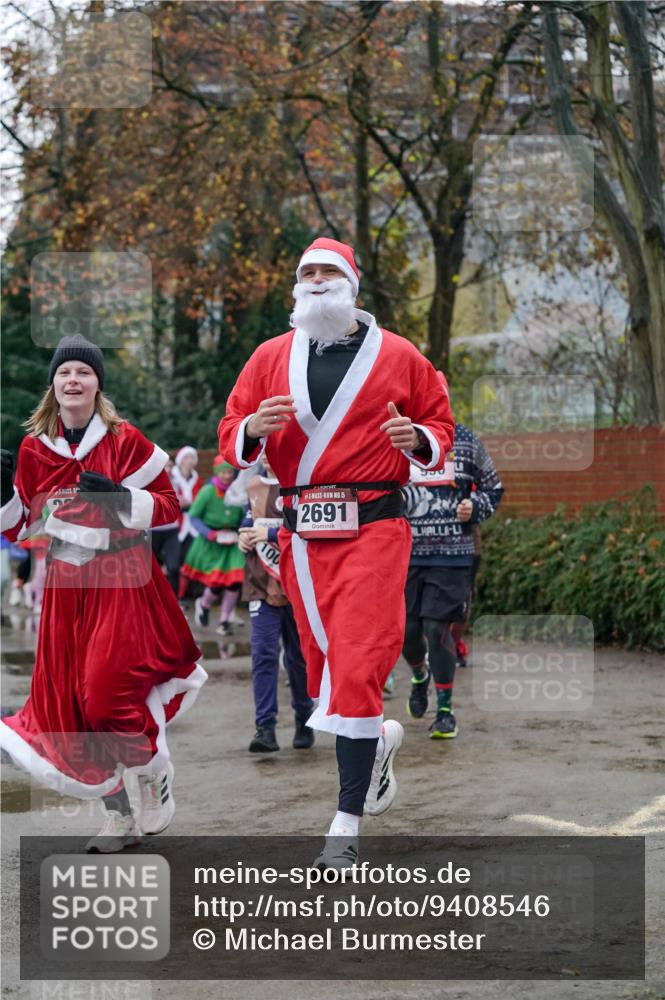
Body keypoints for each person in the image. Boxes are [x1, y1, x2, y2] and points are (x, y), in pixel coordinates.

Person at [218, 237, 454, 869]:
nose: (318, 280)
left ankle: (345, 825)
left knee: (356, 661)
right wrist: (251, 430)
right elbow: (230, 428)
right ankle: (375, 745)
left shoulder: (399, 354)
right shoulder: (269, 356)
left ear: (351, 284)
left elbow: (441, 425)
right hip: (301, 538)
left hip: (374, 529)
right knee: (323, 666)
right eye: (308, 272)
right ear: (298, 285)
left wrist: (418, 438)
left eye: (329, 271)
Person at [0, 335, 206, 852]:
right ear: (53, 383)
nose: (73, 380)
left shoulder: (124, 439)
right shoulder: (34, 449)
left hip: (122, 579)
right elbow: (21, 528)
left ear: (97, 384)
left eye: (84, 372)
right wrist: (4, 495)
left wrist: (119, 497)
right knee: (75, 710)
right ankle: (119, 819)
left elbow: (169, 507)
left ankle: (153, 771)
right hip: (67, 587)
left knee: (106, 694)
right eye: (65, 372)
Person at [401, 419, 503, 737]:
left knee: (437, 628)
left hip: (452, 554)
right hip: (405, 554)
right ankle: (420, 676)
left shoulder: (465, 440)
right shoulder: (399, 435)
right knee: (407, 632)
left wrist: (475, 507)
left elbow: (493, 488)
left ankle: (445, 710)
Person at [238, 456, 314, 754]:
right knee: (263, 654)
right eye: (263, 447)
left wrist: (270, 533)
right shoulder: (253, 486)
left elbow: (309, 526)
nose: (267, 453)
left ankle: (304, 718)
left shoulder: (301, 483)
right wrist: (243, 536)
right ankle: (265, 728)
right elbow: (248, 522)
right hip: (260, 583)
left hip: (296, 583)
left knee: (298, 658)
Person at [180, 456, 245, 635]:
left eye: (230, 472)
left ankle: (224, 621)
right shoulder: (208, 491)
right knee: (216, 582)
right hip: (211, 541)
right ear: (217, 473)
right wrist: (209, 533)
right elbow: (193, 516)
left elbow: (243, 515)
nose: (227, 476)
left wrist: (241, 530)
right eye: (223, 472)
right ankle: (204, 604)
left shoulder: (238, 490)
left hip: (232, 541)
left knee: (234, 582)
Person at [150, 456, 182, 595]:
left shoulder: (176, 481)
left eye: (170, 466)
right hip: (152, 530)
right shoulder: (147, 481)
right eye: (165, 466)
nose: (168, 469)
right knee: (152, 570)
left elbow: (183, 501)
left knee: (174, 567)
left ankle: (176, 601)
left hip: (171, 529)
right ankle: (154, 601)